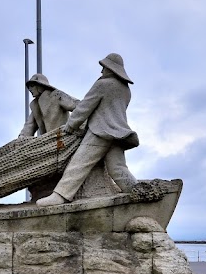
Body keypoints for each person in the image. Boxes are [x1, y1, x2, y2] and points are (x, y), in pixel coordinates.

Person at [37, 53, 138, 206]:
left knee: (79, 163)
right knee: (118, 168)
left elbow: (85, 107)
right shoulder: (126, 90)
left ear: (111, 68)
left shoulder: (103, 84)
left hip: (100, 131)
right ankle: (137, 190)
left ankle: (60, 195)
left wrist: (71, 126)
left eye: (104, 67)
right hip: (119, 133)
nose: (101, 71)